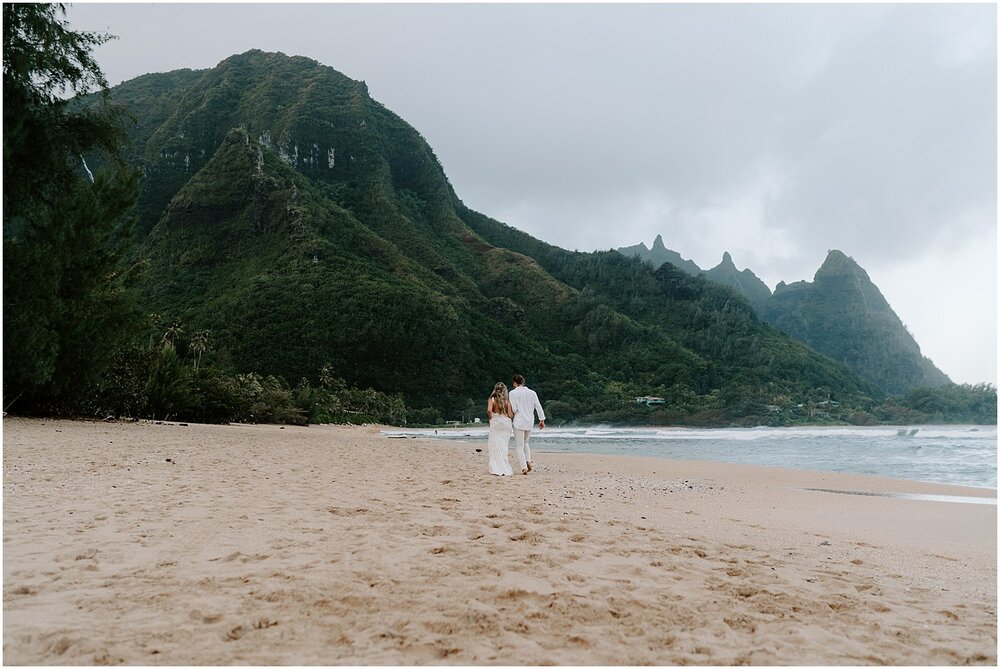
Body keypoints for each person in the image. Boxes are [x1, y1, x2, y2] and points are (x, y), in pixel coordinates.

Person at [508, 374, 545, 475]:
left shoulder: (512, 393)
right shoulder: (532, 393)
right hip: (529, 421)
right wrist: (542, 420)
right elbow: (538, 406)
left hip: (519, 421)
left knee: (519, 446)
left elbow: (514, 409)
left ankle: (524, 467)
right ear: (523, 382)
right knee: (526, 443)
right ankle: (528, 460)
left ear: (514, 383)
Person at [486, 382, 514, 476]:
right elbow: (510, 415)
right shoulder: (507, 401)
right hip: (506, 424)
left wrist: (491, 417)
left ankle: (496, 468)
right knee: (503, 446)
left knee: (494, 445)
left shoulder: (492, 399)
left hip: (496, 422)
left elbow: (489, 410)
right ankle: (505, 468)